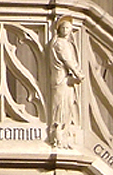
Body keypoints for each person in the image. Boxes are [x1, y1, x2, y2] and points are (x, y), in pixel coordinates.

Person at [49, 16, 84, 149]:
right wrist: (78, 73)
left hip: (67, 79)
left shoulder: (67, 43)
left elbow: (72, 60)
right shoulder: (59, 43)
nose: (66, 30)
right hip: (60, 79)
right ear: (59, 29)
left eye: (68, 28)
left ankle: (65, 137)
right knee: (60, 108)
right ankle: (57, 138)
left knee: (68, 107)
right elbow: (67, 60)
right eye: (63, 28)